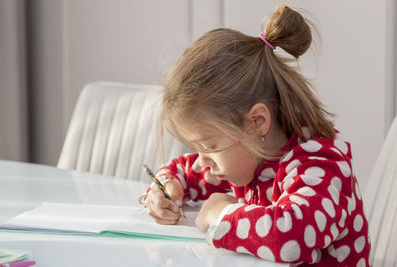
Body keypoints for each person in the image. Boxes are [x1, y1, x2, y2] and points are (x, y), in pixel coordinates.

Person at [143, 3, 371, 266]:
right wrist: (164, 190)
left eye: (209, 146)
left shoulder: (321, 165)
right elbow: (181, 171)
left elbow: (289, 238)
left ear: (257, 122)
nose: (202, 160)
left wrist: (221, 214)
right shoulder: (248, 157)